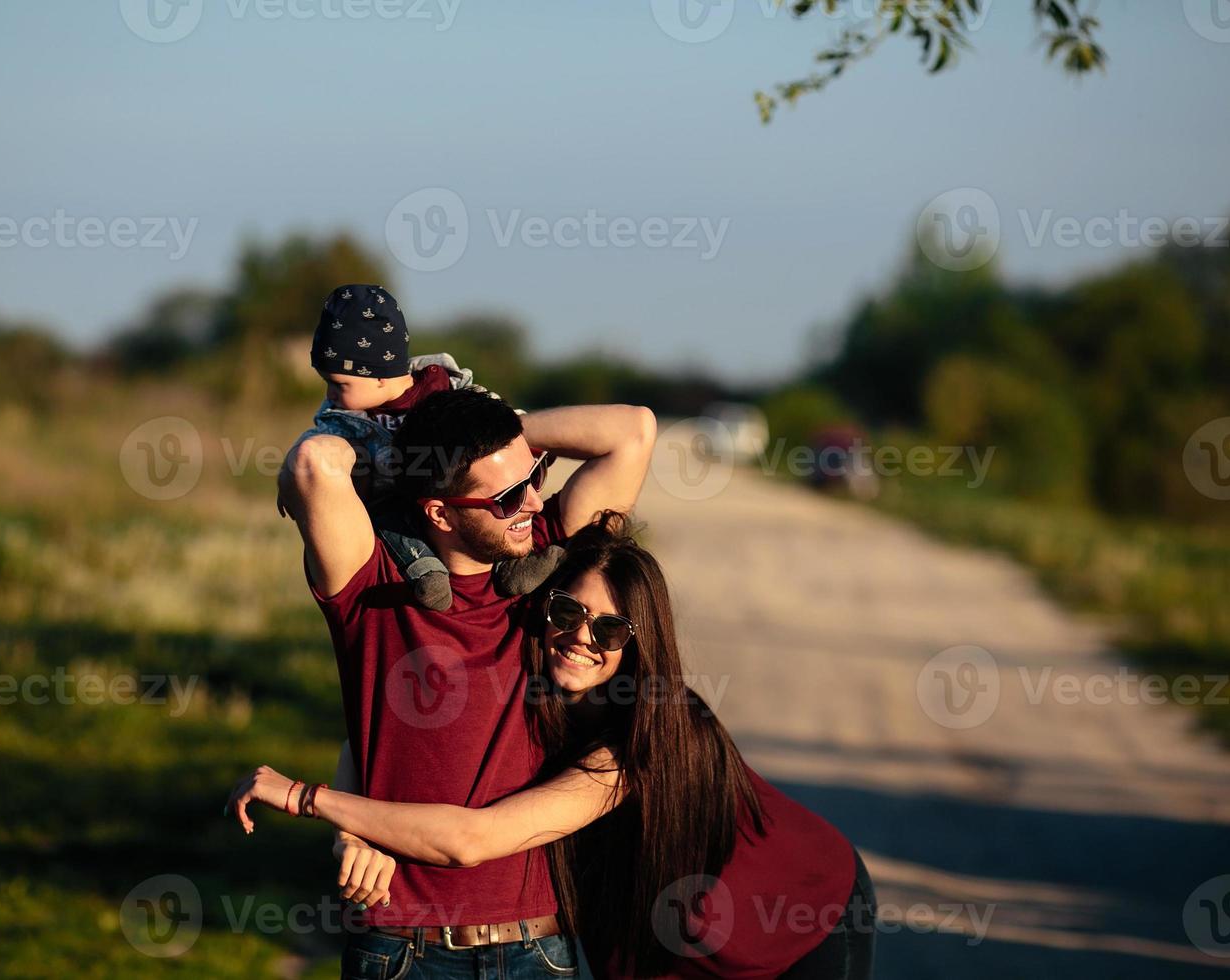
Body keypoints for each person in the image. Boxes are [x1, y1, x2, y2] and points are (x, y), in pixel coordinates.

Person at [229, 512, 875, 980]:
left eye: (612, 629)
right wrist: (357, 835)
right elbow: (377, 737)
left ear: (640, 643)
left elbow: (471, 840)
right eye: (569, 613)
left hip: (802, 911)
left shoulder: (638, 740)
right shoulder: (526, 683)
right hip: (672, 925)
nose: (581, 637)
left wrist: (307, 798)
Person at [270, 383, 657, 977]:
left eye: (535, 478)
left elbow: (632, 430)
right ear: (440, 511)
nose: (531, 501)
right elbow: (315, 463)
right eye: (506, 496)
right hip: (404, 950)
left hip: (542, 949)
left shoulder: (550, 574)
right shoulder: (371, 584)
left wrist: (502, 431)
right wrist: (401, 449)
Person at [295, 282, 565, 610]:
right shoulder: (345, 416)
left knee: (492, 509)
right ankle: (425, 573)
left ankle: (514, 565)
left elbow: (491, 415)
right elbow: (316, 444)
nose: (330, 396)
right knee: (388, 520)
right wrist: (293, 478)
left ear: (379, 375)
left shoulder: (443, 388)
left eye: (339, 385)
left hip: (452, 497)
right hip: (393, 503)